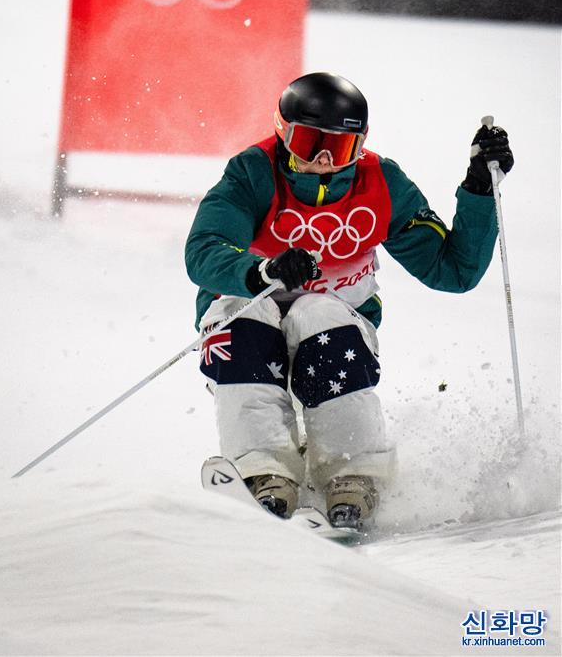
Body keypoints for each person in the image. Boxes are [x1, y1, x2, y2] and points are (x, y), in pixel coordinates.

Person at [185, 72, 514, 529]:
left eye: (337, 149)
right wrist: (261, 270)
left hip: (335, 317)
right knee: (243, 323)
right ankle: (263, 473)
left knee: (317, 312)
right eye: (308, 143)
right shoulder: (253, 172)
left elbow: (453, 271)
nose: (322, 160)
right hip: (249, 304)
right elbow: (204, 248)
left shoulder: (380, 184)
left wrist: (480, 189)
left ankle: (352, 473)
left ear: (359, 148)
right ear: (283, 133)